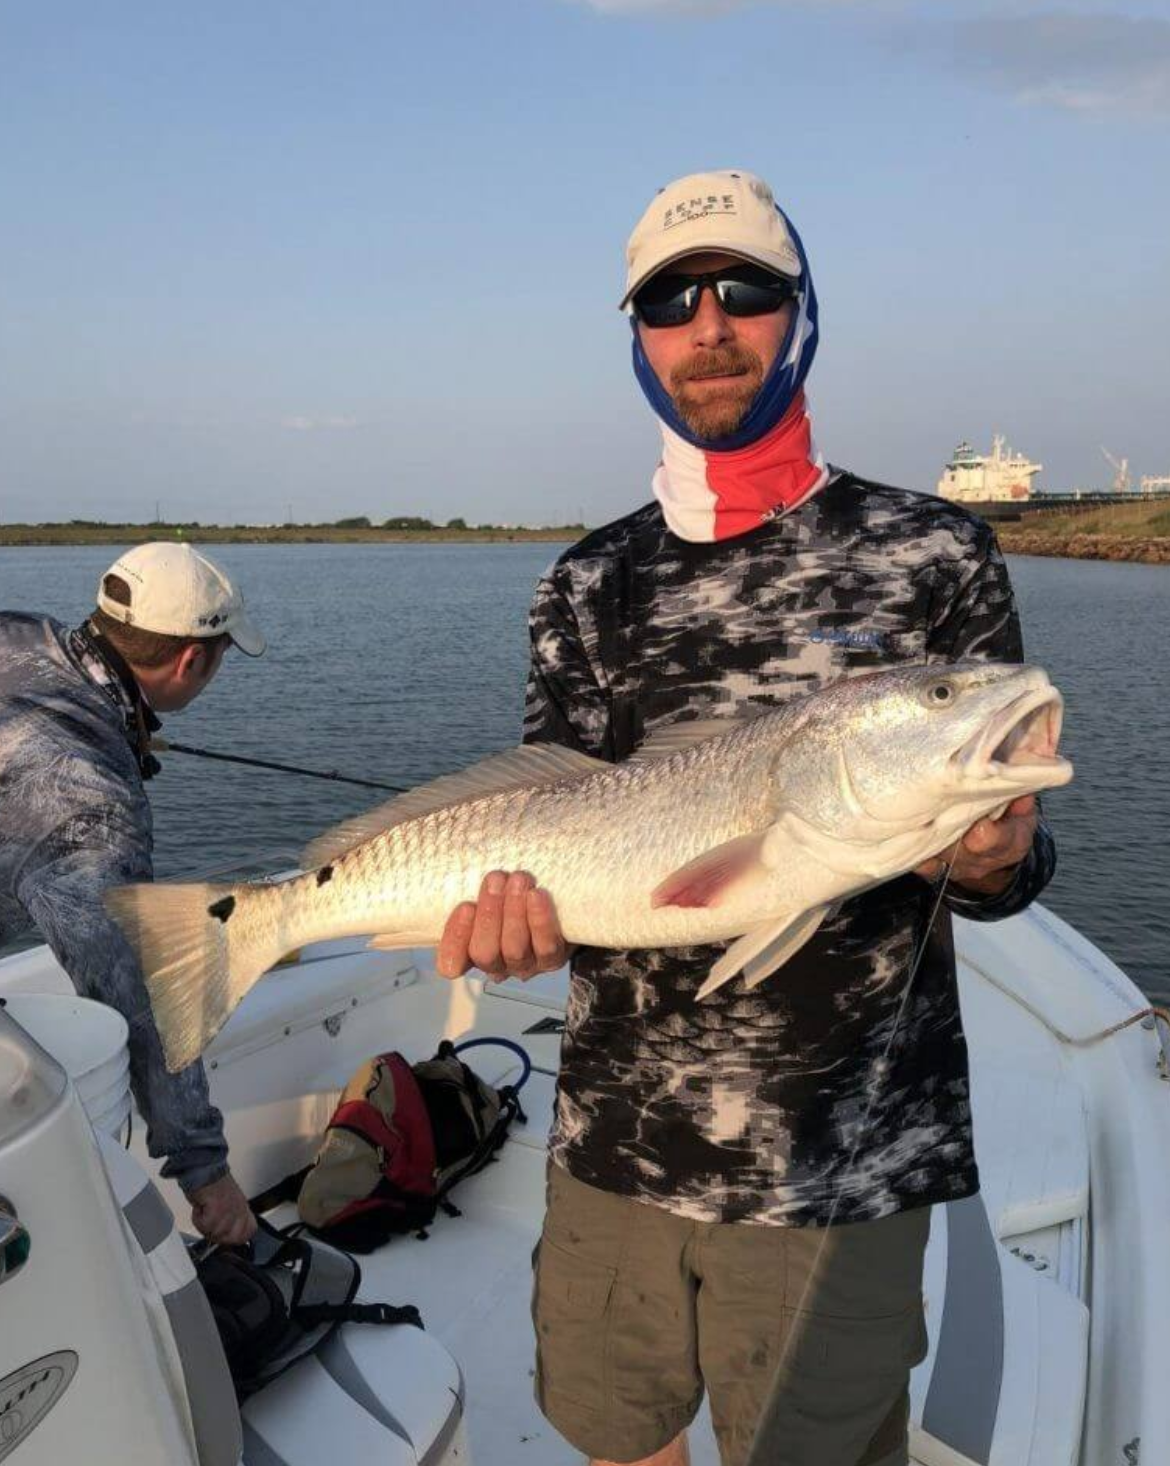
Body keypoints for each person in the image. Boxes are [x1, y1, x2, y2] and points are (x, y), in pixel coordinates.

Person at [436, 169, 1056, 1466]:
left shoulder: (933, 551)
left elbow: (1000, 866)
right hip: (613, 1141)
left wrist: (996, 853)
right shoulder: (587, 579)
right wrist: (514, 929)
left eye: (745, 288)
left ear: (801, 315)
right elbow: (565, 819)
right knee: (621, 1440)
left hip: (844, 1162)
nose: (707, 321)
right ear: (640, 337)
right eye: (669, 298)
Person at [0, 541, 266, 1246]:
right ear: (191, 660)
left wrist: (114, 732)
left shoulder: (21, 631)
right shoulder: (90, 810)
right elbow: (134, 990)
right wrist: (205, 1172)